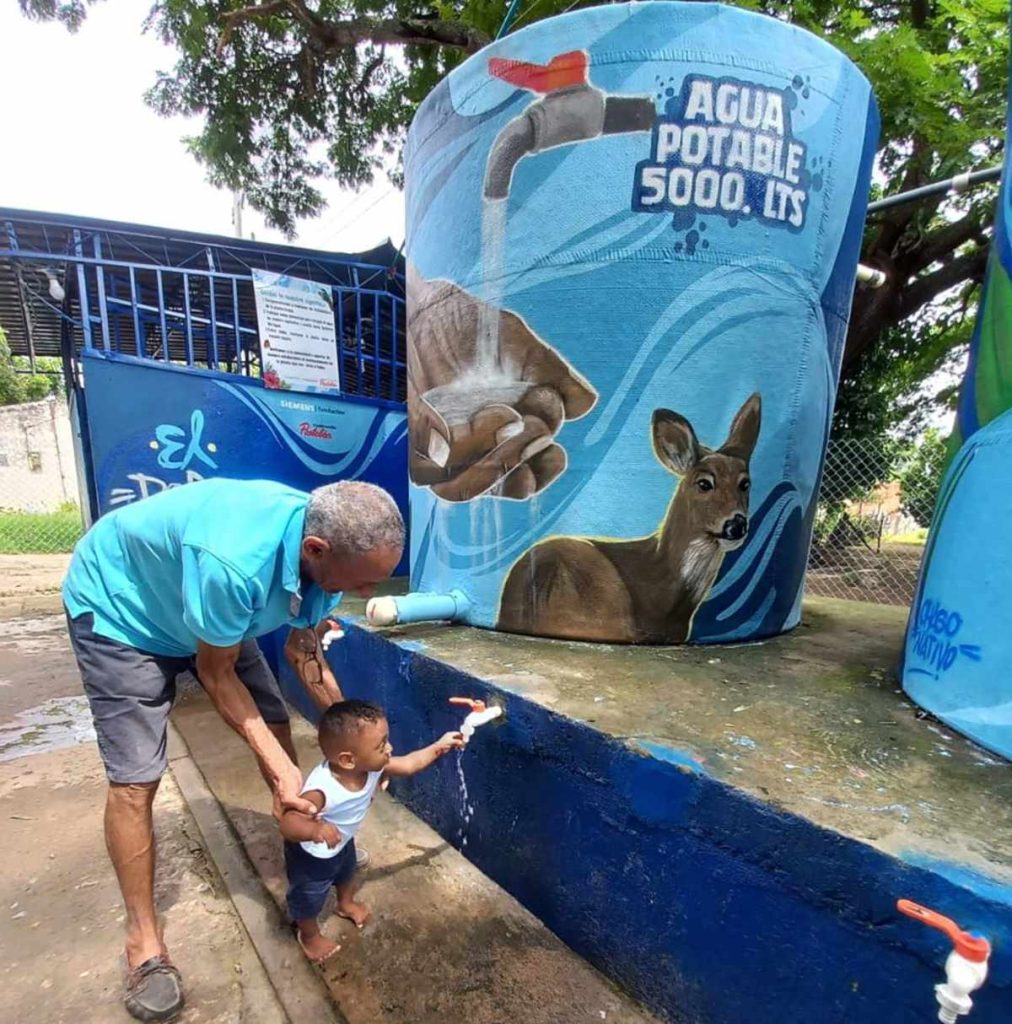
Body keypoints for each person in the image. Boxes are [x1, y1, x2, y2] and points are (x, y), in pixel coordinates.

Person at [62, 477, 404, 1022]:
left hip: (204, 610)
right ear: (316, 551)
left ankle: (296, 831)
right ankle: (144, 944)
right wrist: (280, 769)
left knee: (272, 725)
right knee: (136, 778)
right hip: (122, 614)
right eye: (362, 583)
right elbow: (215, 675)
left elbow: (304, 652)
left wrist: (363, 744)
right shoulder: (234, 563)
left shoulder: (326, 555)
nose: (364, 595)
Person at [279, 699, 463, 963]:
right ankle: (308, 936)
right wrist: (314, 829)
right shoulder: (322, 788)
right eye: (381, 745)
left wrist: (440, 746)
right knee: (309, 896)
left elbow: (410, 763)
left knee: (347, 873)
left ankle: (345, 903)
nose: (390, 748)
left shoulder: (373, 766)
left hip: (342, 841)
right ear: (348, 760)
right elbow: (288, 823)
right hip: (312, 854)